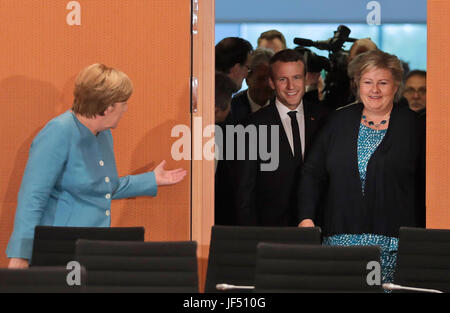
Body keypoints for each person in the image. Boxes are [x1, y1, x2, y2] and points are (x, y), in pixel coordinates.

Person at [6, 63, 187, 268]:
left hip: (91, 249)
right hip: (59, 251)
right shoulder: (58, 132)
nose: (126, 109)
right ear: (108, 107)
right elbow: (32, 198)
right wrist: (21, 255)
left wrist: (151, 179)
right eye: (124, 103)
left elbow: (104, 187)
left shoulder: (104, 133)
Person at [297, 50, 426, 284]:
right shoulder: (337, 121)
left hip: (394, 245)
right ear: (357, 85)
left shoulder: (414, 126)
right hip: (339, 242)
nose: (374, 89)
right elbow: (312, 173)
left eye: (382, 82)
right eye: (367, 82)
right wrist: (306, 217)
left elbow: (429, 183)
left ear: (396, 86)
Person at [234, 49, 328, 226]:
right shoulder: (250, 127)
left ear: (306, 78)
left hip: (317, 231)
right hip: (269, 234)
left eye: (296, 78)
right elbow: (243, 194)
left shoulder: (324, 120)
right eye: (283, 79)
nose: (291, 86)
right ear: (271, 82)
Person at [229, 48, 275, 124]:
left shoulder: (284, 106)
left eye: (271, 79)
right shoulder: (232, 110)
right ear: (247, 78)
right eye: (261, 79)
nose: (267, 84)